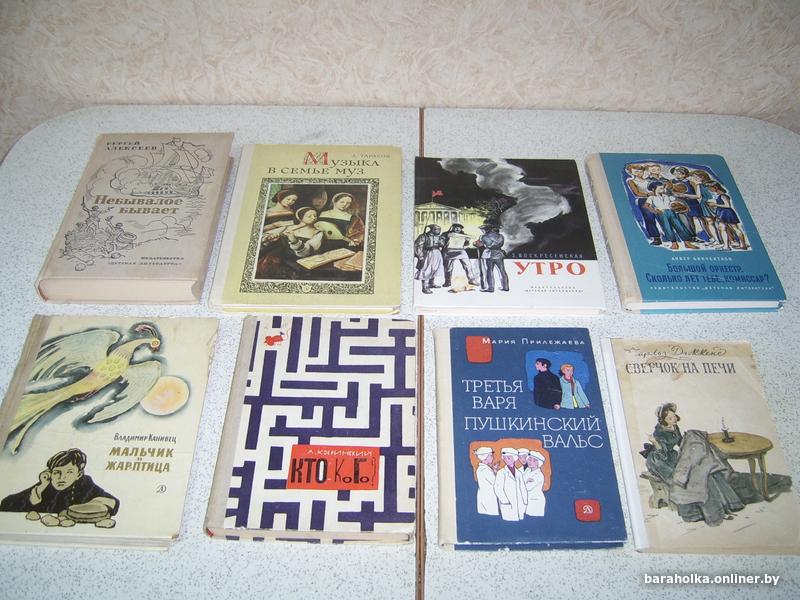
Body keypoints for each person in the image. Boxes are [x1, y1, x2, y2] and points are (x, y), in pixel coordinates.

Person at [642, 403, 744, 526]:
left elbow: (680, 443)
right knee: (686, 478)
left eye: (674, 416)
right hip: (660, 461)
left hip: (671, 455)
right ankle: (700, 513)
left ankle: (724, 507)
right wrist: (654, 442)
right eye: (670, 418)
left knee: (703, 470)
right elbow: (662, 453)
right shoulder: (659, 433)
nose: (674, 419)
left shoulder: (674, 426)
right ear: (663, 421)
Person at [0, 448, 119, 516]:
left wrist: (93, 505)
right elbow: (6, 503)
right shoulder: (45, 485)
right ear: (50, 473)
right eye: (57, 472)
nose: (62, 477)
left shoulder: (85, 484)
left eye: (69, 472)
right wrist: (40, 489)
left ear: (78, 475)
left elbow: (113, 502)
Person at [645, 182, 698, 250]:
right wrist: (655, 211)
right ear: (653, 189)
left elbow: (676, 201)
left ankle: (687, 243)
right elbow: (646, 206)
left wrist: (681, 206)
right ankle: (674, 243)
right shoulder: (651, 197)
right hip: (662, 213)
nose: (662, 190)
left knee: (680, 225)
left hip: (671, 212)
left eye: (663, 188)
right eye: (660, 188)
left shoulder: (666, 196)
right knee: (667, 228)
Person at [626, 163, 662, 245]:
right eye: (636, 171)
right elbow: (636, 193)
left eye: (640, 171)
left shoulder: (648, 180)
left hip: (656, 199)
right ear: (631, 172)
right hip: (644, 200)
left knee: (662, 216)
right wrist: (649, 194)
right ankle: (656, 238)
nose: (639, 173)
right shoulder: (631, 181)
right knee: (650, 219)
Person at [494, 448, 527, 521]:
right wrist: (505, 501)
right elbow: (497, 488)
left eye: (508, 458)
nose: (506, 460)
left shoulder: (519, 473)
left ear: (514, 458)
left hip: (520, 505)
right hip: (508, 505)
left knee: (520, 522)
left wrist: (525, 501)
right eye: (504, 458)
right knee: (509, 523)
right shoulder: (501, 473)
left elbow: (523, 488)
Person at [475, 224, 508, 292]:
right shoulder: (500, 236)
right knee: (502, 270)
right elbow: (500, 244)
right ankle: (505, 287)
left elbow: (479, 244)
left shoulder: (483, 236)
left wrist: (475, 243)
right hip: (499, 254)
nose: (482, 231)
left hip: (489, 255)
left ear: (485, 230)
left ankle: (490, 288)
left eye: (482, 230)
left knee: (489, 271)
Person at [414, 224, 444, 294]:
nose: (439, 231)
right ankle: (425, 287)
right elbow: (418, 246)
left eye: (439, 230)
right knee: (426, 270)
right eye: (437, 230)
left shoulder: (438, 236)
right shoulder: (424, 236)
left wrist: (441, 242)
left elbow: (441, 244)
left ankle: (431, 283)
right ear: (432, 230)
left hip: (437, 253)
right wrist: (420, 256)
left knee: (434, 269)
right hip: (427, 254)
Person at [473, 447, 499, 516]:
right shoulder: (485, 470)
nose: (493, 458)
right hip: (488, 498)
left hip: (484, 496)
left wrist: (494, 470)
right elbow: (496, 483)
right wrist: (496, 471)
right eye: (491, 456)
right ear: (485, 457)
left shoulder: (482, 468)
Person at [523, 451, 547, 517]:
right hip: (527, 500)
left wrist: (524, 481)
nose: (531, 462)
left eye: (534, 461)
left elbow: (527, 488)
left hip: (535, 501)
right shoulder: (527, 470)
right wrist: (526, 481)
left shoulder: (539, 475)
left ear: (538, 463)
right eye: (529, 459)